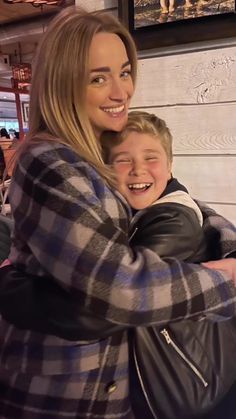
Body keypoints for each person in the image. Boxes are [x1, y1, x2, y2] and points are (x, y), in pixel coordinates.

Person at [0, 6, 236, 419]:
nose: (120, 91)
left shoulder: (94, 152)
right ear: (63, 84)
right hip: (62, 394)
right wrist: (225, 278)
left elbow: (177, 198)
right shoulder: (50, 160)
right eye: (98, 78)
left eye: (124, 72)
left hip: (108, 387)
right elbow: (121, 292)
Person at [102, 110, 236, 418]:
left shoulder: (171, 220)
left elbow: (115, 299)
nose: (138, 170)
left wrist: (14, 287)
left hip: (183, 383)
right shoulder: (146, 210)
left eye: (151, 158)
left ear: (171, 165)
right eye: (123, 160)